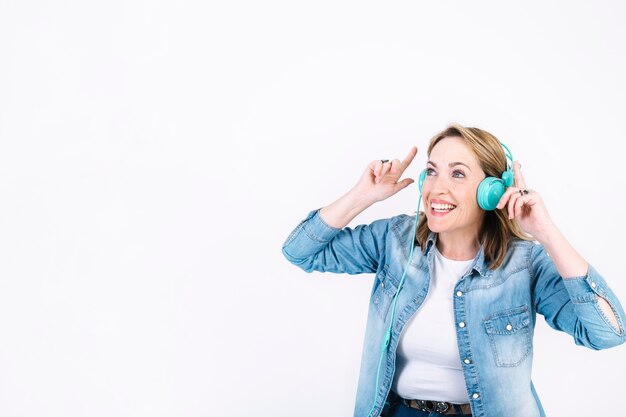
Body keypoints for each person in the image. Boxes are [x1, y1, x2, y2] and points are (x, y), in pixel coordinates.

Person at [281, 124, 626, 417]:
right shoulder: (396, 241)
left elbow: (607, 333)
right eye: (431, 171)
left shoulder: (525, 264)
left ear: (491, 192)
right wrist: (362, 195)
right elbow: (300, 252)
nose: (436, 188)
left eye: (458, 174)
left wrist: (546, 232)